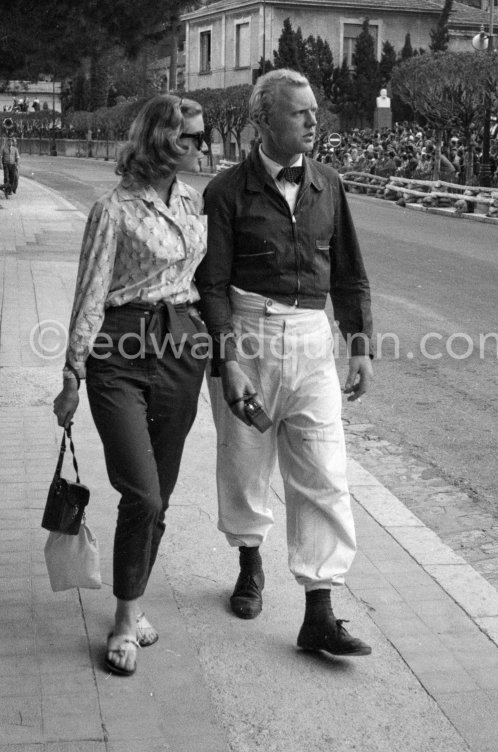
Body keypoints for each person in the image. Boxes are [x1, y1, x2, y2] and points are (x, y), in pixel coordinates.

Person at [195, 69, 374, 657]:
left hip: (311, 338)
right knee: (244, 462)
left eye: (314, 112)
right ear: (264, 120)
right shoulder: (225, 193)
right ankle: (250, 563)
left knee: (324, 471)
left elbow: (350, 273)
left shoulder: (329, 184)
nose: (312, 122)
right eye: (299, 113)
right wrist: (229, 359)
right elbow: (212, 285)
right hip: (246, 334)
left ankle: (319, 609)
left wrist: (359, 347)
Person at [53, 94, 209, 676]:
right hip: (119, 351)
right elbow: (90, 292)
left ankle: (133, 600)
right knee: (140, 492)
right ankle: (123, 619)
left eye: (202, 135)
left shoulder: (193, 202)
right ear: (163, 139)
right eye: (191, 136)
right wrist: (71, 376)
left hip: (180, 349)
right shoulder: (113, 209)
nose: (200, 144)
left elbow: (198, 278)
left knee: (160, 495)